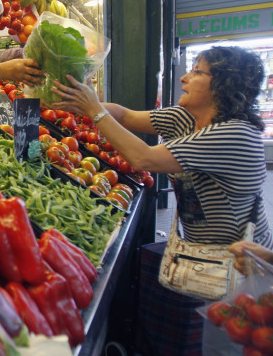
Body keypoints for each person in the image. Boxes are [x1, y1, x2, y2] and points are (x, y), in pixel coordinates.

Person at [51, 46, 271, 356]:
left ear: (223, 84)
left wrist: (95, 111)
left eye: (196, 71)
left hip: (242, 265)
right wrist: (78, 102)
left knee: (232, 345)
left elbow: (143, 158)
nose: (184, 77)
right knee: (212, 338)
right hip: (208, 258)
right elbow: (126, 116)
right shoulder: (186, 117)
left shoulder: (234, 134)